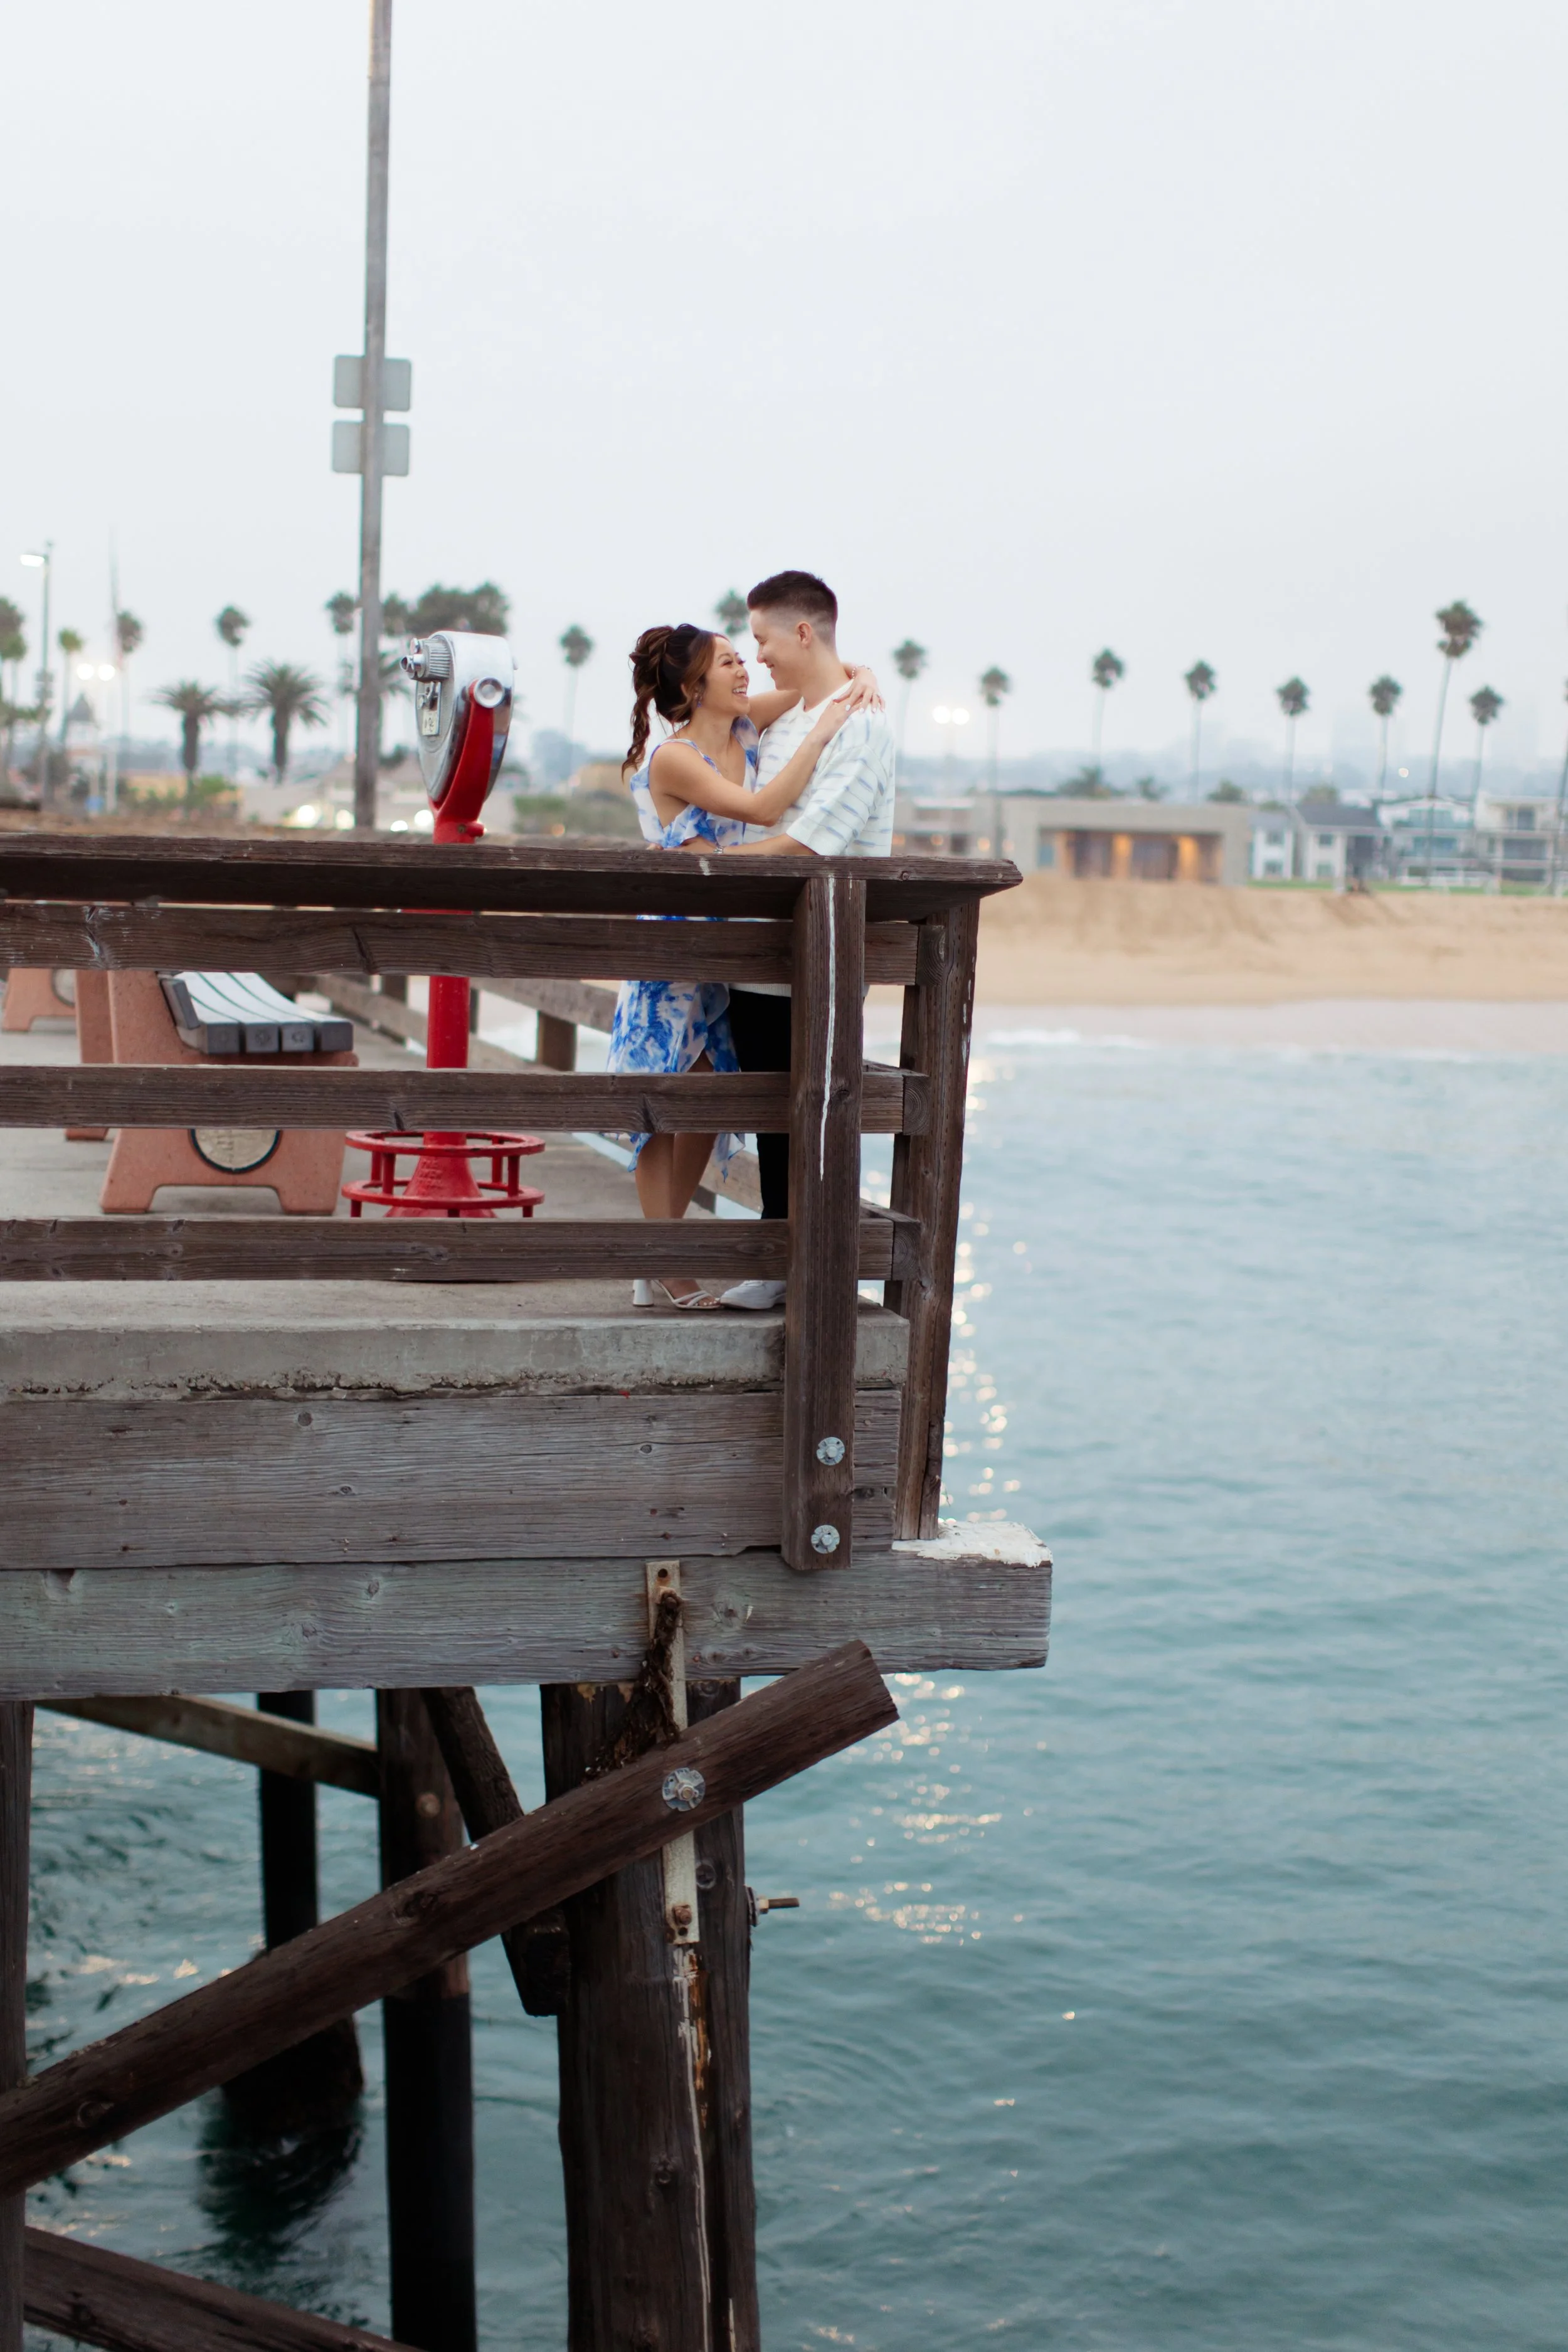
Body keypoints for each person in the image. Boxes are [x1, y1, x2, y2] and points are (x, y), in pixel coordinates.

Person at [608, 622, 874, 1306]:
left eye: (739, 657)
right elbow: (762, 806)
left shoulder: (745, 725)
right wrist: (820, 737)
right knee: (661, 1101)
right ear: (695, 686)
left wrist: (863, 677)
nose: (742, 669)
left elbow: (820, 682)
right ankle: (664, 1261)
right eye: (727, 662)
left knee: (707, 1097)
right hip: (673, 947)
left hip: (724, 947)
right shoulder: (675, 757)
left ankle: (659, 1255)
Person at [716, 569, 898, 1310]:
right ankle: (778, 1262)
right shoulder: (787, 716)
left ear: (801, 631)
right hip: (757, 950)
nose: (756, 655)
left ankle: (816, 1274)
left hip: (820, 953)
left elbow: (812, 843)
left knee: (818, 1113)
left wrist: (707, 866)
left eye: (761, 639)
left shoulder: (863, 725)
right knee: (771, 1118)